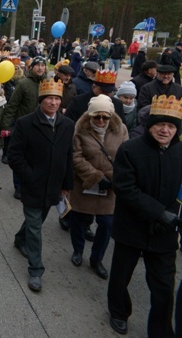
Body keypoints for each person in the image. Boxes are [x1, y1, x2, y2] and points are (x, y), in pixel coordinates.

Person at [107, 95, 182, 336]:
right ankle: (119, 312)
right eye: (160, 124)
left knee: (163, 286)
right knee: (121, 277)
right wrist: (159, 213)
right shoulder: (130, 149)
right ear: (149, 125)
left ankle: (160, 330)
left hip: (165, 234)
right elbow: (125, 188)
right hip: (132, 227)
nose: (165, 130)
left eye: (171, 126)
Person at [9, 79, 74, 292]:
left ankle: (20, 239)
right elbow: (15, 155)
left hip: (54, 185)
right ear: (41, 101)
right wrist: (30, 176)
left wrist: (66, 184)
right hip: (33, 185)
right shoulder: (26, 123)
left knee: (37, 221)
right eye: (49, 99)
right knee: (36, 227)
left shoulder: (67, 124)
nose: (54, 103)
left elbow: (68, 156)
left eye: (57, 99)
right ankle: (36, 270)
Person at [68, 95, 128, 280]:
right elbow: (75, 157)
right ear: (89, 115)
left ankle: (97, 259)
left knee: (106, 224)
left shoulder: (121, 130)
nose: (101, 121)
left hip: (109, 187)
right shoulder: (79, 129)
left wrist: (113, 178)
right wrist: (95, 176)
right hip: (84, 184)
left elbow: (127, 157)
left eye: (105, 117)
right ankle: (77, 250)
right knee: (78, 220)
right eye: (96, 117)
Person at [0, 56, 48, 199]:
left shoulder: (47, 83)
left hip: (42, 126)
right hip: (24, 126)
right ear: (31, 67)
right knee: (21, 158)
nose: (40, 68)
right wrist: (6, 126)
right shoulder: (23, 83)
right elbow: (12, 105)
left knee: (38, 157)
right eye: (37, 65)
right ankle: (18, 186)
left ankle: (33, 184)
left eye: (42, 65)